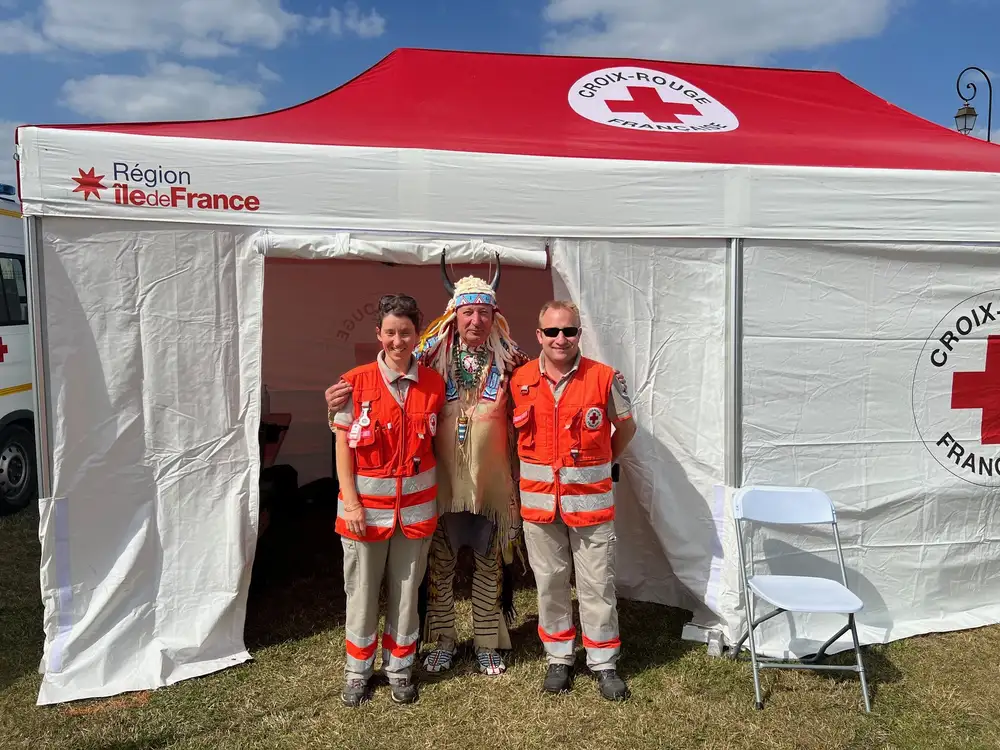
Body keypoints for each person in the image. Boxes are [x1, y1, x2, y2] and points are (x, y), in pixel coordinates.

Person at [326, 252, 527, 676]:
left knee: (490, 561)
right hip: (440, 487)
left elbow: (543, 388)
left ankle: (488, 642)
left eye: (484, 313)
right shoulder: (428, 361)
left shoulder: (512, 362)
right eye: (468, 312)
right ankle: (443, 639)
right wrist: (336, 402)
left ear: (495, 317)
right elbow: (381, 380)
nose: (476, 321)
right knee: (440, 565)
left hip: (491, 485)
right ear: (453, 316)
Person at [509, 300, 637, 701]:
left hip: (591, 507)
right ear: (539, 336)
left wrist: (604, 461)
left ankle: (603, 662)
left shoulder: (603, 378)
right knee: (549, 584)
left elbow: (626, 427)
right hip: (540, 506)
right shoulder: (521, 379)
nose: (560, 339)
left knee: (597, 585)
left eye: (569, 331)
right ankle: (559, 658)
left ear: (579, 333)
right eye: (552, 332)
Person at [329, 293, 446, 707]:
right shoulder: (353, 382)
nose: (398, 341)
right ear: (378, 333)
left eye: (406, 332)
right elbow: (343, 447)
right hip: (364, 516)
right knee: (361, 592)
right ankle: (357, 673)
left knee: (405, 593)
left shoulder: (434, 383)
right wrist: (353, 502)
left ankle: (399, 668)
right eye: (390, 332)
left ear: (417, 334)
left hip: (414, 515)